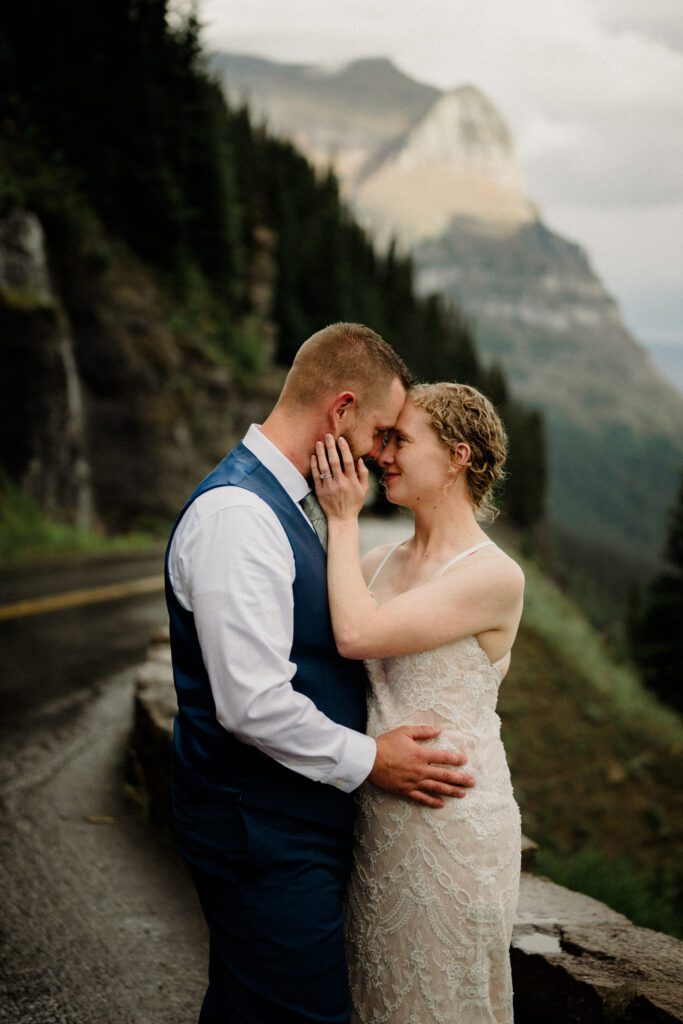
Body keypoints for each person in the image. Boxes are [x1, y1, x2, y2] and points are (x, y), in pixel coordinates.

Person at [164, 325, 475, 1024]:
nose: (379, 453)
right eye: (378, 430)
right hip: (259, 833)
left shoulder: (283, 505)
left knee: (249, 1007)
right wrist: (373, 759)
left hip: (280, 825)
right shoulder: (238, 518)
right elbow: (251, 705)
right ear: (339, 413)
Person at [312, 381, 525, 1024]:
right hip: (375, 824)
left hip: (452, 823)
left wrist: (342, 518)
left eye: (400, 440)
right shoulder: (374, 564)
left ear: (458, 456)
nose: (383, 455)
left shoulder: (493, 575)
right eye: (384, 440)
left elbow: (355, 636)